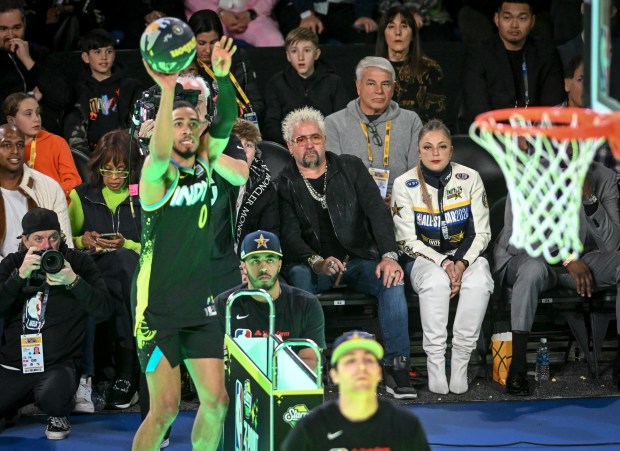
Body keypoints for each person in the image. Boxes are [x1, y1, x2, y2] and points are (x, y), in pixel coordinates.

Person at [131, 36, 239, 450]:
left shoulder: (207, 164)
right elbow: (159, 150)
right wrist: (167, 89)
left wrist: (224, 78)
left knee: (216, 401)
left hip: (200, 303)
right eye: (178, 123)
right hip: (156, 310)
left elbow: (226, 122)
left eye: (192, 123)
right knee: (166, 409)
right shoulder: (157, 175)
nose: (187, 129)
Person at [277, 106, 416, 399]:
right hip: (313, 266)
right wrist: (317, 262)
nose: (309, 144)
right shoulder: (284, 183)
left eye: (315, 137)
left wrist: (389, 256)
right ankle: (308, 365)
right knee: (299, 281)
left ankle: (396, 367)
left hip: (358, 259)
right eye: (301, 140)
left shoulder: (350, 167)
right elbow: (288, 235)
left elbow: (378, 212)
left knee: (392, 278)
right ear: (290, 146)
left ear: (324, 140)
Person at [494, 160, 620, 395]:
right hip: (531, 256)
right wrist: (566, 258)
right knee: (531, 272)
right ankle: (518, 367)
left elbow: (612, 244)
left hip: (585, 259)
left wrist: (589, 197)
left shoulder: (605, 177)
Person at [391, 119, 494, 394]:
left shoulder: (470, 178)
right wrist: (444, 263)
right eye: (428, 147)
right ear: (419, 151)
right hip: (424, 261)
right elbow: (406, 241)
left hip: (464, 258)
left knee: (480, 279)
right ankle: (435, 364)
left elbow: (482, 233)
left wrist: (460, 263)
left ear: (451, 150)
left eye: (441, 146)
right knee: (436, 282)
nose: (435, 153)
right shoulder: (404, 184)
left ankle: (460, 363)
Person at [0, 208, 112, 440]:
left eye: (53, 237)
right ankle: (11, 408)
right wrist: (17, 278)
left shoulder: (77, 262)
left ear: (61, 236)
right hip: (14, 365)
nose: (47, 245)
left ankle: (58, 411)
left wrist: (74, 282)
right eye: (38, 239)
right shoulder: (13, 263)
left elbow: (104, 310)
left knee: (53, 395)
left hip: (58, 365)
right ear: (24, 240)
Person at [68, 129, 142, 411]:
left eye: (121, 171)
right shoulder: (81, 196)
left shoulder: (145, 197)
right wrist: (82, 239)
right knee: (112, 277)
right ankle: (115, 372)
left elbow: (155, 243)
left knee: (123, 263)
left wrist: (128, 244)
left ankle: (125, 373)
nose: (113, 178)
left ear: (132, 169)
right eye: (107, 170)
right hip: (94, 270)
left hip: (132, 273)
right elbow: (64, 239)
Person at [281, 330, 430, 450]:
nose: (361, 367)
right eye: (350, 361)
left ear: (379, 372)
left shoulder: (405, 425)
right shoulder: (311, 428)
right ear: (334, 375)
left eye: (368, 360)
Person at [216, 230, 325, 369]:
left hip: (288, 387)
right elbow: (213, 360)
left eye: (270, 260)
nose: (263, 268)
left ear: (279, 264)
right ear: (243, 266)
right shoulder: (224, 304)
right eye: (255, 260)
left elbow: (311, 360)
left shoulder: (306, 304)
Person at [325, 56, 422, 201]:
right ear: (358, 86)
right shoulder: (334, 123)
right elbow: (334, 178)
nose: (379, 91)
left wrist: (398, 199)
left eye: (386, 84)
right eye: (371, 84)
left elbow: (417, 172)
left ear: (393, 88)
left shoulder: (411, 121)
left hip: (402, 203)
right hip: (353, 205)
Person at [462, 0, 565, 125]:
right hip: (493, 134)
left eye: (522, 18)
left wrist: (532, 134)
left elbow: (553, 106)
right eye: (507, 17)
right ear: (497, 19)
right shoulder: (479, 54)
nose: (514, 25)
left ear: (532, 21)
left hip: (537, 135)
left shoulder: (546, 54)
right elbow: (477, 107)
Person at [263, 27, 348, 144]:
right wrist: (291, 143)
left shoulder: (334, 82)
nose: (300, 57)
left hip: (326, 147)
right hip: (289, 148)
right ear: (288, 56)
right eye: (294, 51)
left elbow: (341, 122)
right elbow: (271, 124)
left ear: (317, 54)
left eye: (307, 50)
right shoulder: (277, 83)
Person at [0, 123, 72, 261]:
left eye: (20, 145)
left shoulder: (49, 187)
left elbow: (65, 241)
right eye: (7, 145)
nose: (15, 151)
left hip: (48, 271)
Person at [64, 28, 143, 155]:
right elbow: (74, 129)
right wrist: (86, 161)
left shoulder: (130, 86)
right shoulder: (78, 89)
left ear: (115, 54)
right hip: (89, 157)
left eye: (109, 51)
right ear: (85, 57)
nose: (104, 57)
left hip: (124, 153)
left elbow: (138, 124)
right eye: (97, 52)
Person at [0, 0, 71, 135]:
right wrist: (31, 98)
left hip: (45, 137)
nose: (11, 35)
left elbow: (63, 98)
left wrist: (29, 62)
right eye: (3, 29)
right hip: (6, 142)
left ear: (25, 24)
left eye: (16, 27)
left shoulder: (42, 55)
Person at [188, 9, 265, 124]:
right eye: (202, 43)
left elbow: (256, 103)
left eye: (213, 42)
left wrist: (240, 122)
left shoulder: (236, 58)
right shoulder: (183, 64)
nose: (208, 50)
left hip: (237, 126)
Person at [2, 92, 82, 202]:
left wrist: (50, 195)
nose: (36, 119)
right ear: (11, 120)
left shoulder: (56, 142)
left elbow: (73, 181)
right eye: (28, 114)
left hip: (54, 207)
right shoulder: (3, 149)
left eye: (38, 113)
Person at [375, 5, 446, 124]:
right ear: (383, 34)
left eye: (404, 26)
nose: (398, 32)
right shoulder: (371, 70)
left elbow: (436, 119)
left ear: (413, 34)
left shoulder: (430, 69)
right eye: (391, 26)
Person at [231, 119, 279, 253]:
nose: (244, 151)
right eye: (237, 143)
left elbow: (269, 234)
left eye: (249, 145)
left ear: (255, 152)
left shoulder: (264, 186)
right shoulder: (211, 181)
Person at [184, 0, 284, 47]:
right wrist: (219, 13)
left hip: (250, 14)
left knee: (274, 41)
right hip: (208, 13)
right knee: (205, 44)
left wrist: (252, 13)